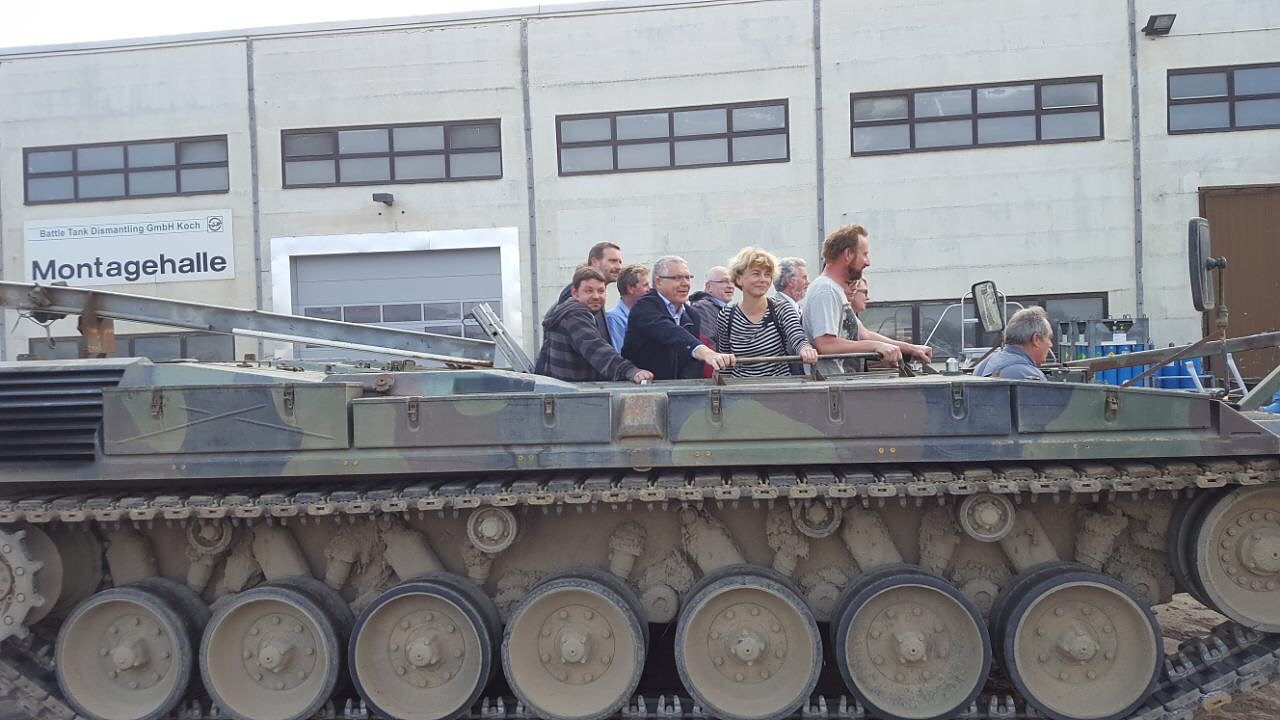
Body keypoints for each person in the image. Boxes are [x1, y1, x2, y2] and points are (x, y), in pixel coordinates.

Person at [802, 225, 932, 375]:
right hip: (832, 385)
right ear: (848, 254)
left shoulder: (834, 290)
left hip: (843, 382)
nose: (868, 262)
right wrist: (875, 346)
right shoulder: (825, 290)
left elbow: (864, 334)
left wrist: (912, 348)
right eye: (864, 254)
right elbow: (826, 344)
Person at [622, 255, 736, 380]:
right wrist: (706, 353)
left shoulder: (692, 315)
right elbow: (670, 332)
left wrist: (683, 386)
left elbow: (693, 363)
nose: (685, 283)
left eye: (687, 277)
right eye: (677, 278)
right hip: (644, 386)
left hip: (679, 389)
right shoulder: (644, 307)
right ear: (659, 282)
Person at [536, 266, 654, 384]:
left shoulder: (568, 312)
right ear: (575, 293)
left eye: (601, 291)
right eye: (589, 291)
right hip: (572, 392)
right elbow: (597, 349)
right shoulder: (574, 315)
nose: (596, 296)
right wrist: (630, 371)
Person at [714, 247, 818, 377]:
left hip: (778, 385)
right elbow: (725, 362)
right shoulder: (727, 315)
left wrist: (805, 349)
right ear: (739, 279)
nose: (763, 279)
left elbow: (797, 336)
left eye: (767, 274)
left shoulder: (781, 308)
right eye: (756, 274)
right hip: (741, 388)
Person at [972, 306, 1052, 380]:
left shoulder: (982, 366)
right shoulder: (1031, 375)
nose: (1050, 344)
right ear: (1036, 339)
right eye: (1049, 338)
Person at [687, 266, 734, 350]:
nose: (730, 286)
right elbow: (707, 343)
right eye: (724, 281)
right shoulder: (702, 308)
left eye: (732, 281)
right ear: (709, 287)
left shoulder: (726, 310)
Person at [606, 264, 650, 352]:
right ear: (630, 288)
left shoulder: (647, 316)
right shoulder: (614, 319)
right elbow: (618, 353)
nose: (650, 289)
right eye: (645, 285)